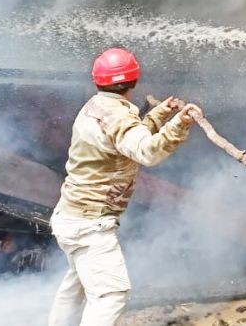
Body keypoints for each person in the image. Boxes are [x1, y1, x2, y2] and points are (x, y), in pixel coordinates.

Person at [48, 48, 201, 326]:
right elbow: (146, 151)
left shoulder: (96, 107)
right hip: (89, 225)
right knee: (111, 296)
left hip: (70, 218)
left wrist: (158, 116)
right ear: (134, 81)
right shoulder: (118, 116)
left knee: (76, 289)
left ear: (98, 80)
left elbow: (125, 138)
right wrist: (180, 123)